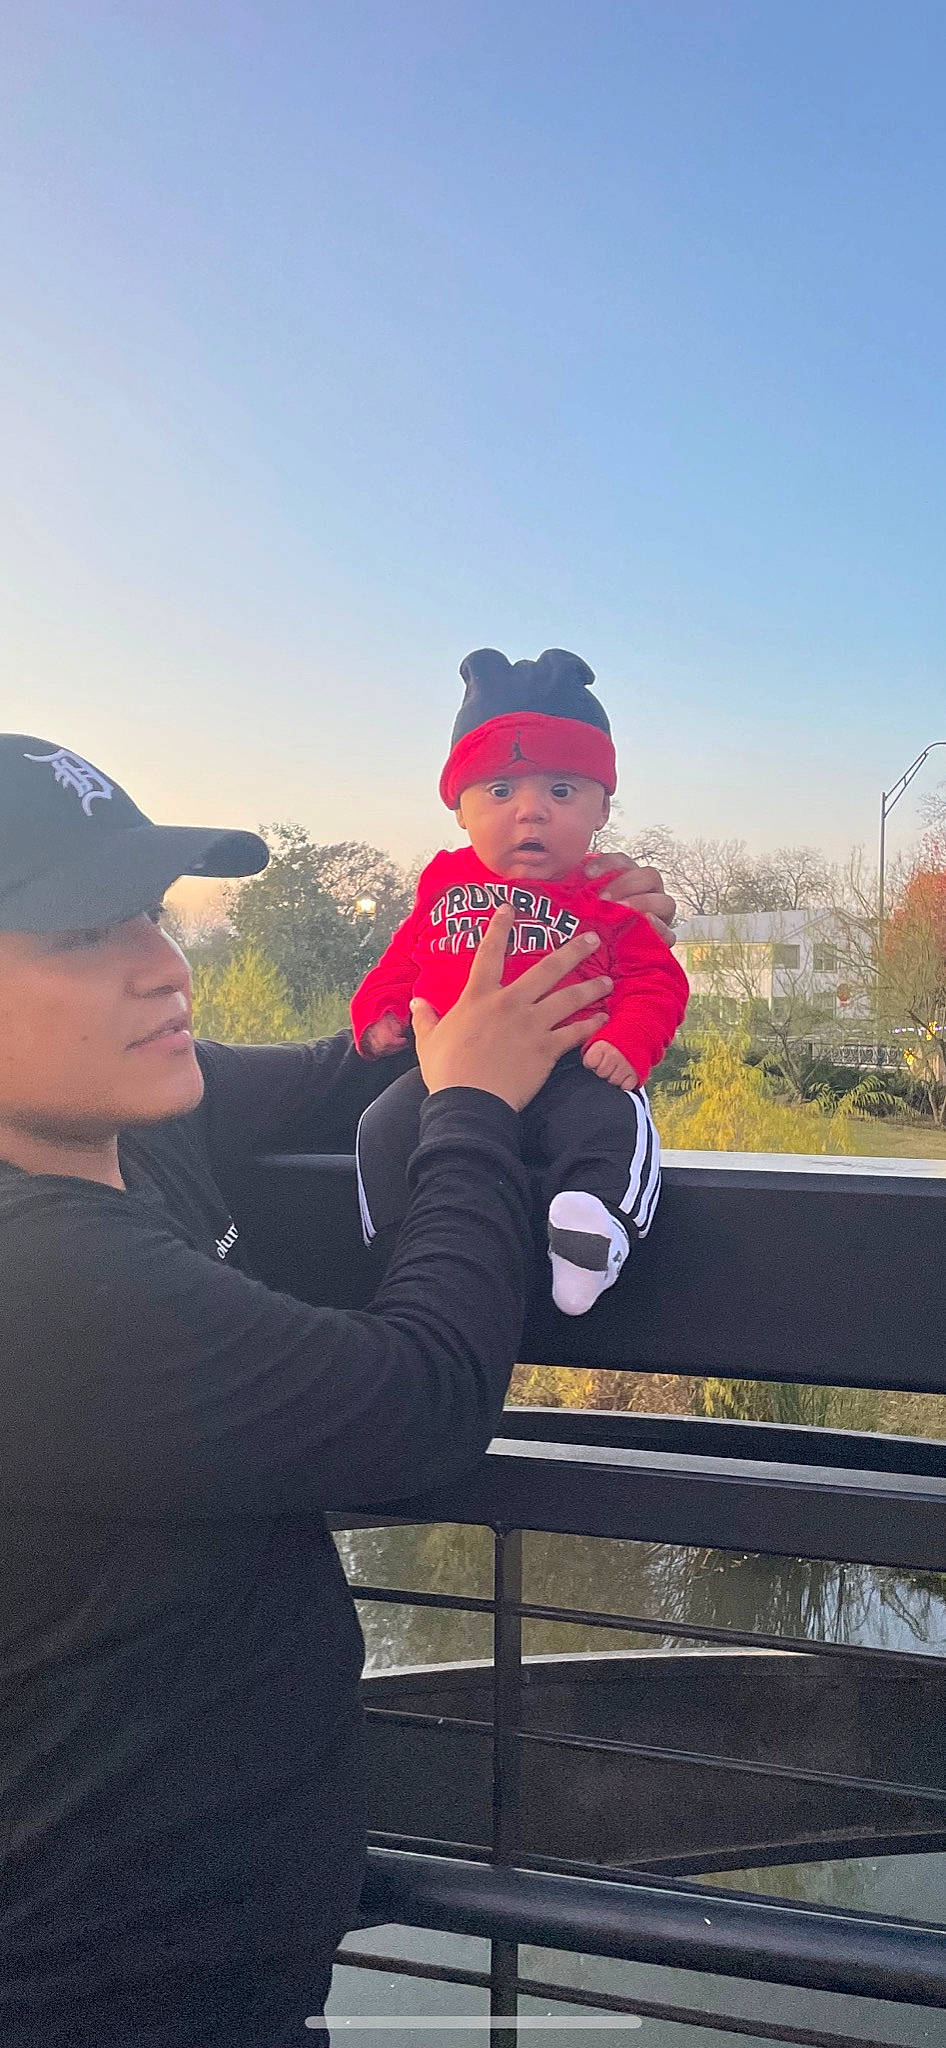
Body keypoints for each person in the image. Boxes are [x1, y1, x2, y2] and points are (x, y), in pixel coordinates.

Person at [0, 732, 676, 2048]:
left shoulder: (131, 1118)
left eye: (151, 913)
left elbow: (357, 1060)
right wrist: (473, 1112)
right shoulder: (41, 1282)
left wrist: (553, 932)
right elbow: (416, 1405)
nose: (161, 963)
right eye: (82, 934)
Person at [352, 649, 689, 1313]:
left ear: (601, 811)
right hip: (450, 1069)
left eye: (561, 791)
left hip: (572, 1068)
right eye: (501, 791)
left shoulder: (610, 895)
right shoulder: (443, 882)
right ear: (460, 810)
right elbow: (403, 958)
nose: (530, 812)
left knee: (612, 1122)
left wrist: (631, 1038)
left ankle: (592, 1234)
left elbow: (658, 979)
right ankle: (400, 1253)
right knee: (382, 1126)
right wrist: (381, 1012)